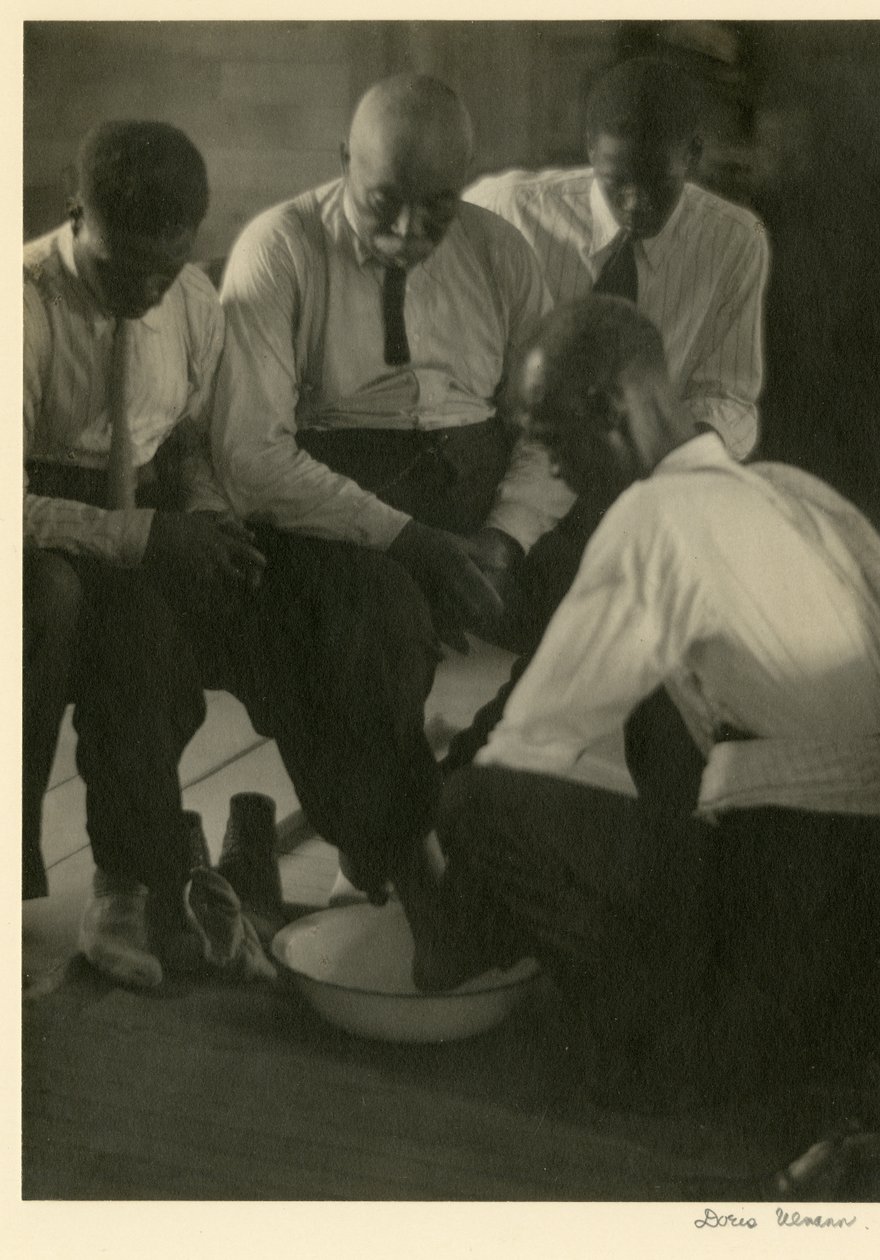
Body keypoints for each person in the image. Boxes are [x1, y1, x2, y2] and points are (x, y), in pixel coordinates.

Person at [403, 296, 880, 1116]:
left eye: (548, 435)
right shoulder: (783, 492)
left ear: (611, 410)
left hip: (797, 883)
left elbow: (530, 746)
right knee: (652, 720)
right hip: (879, 911)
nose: (549, 465)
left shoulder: (653, 518)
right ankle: (709, 1006)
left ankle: (652, 1040)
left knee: (482, 804)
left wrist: (420, 836)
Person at [211, 73, 566, 902]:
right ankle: (396, 858)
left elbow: (553, 425)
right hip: (334, 496)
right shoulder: (280, 246)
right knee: (371, 627)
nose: (409, 230)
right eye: (383, 202)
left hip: (480, 491)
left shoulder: (501, 250)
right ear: (344, 161)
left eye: (436, 207)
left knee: (610, 585)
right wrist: (411, 541)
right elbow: (250, 456)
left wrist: (506, 534)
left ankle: (456, 797)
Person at [444, 55, 771, 767]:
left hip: (632, 473)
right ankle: (467, 779)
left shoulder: (733, 241)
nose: (637, 207)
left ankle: (467, 780)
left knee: (661, 612)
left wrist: (682, 472)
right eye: (616, 182)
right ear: (589, 151)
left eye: (659, 184)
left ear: (693, 155)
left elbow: (729, 392)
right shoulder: (508, 209)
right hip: (505, 460)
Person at [23, 120, 290, 987]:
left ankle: (129, 880)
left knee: (145, 644)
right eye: (117, 268)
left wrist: (207, 525)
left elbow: (200, 445)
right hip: (32, 521)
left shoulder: (195, 305)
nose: (142, 291)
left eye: (164, 267)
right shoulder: (18, 303)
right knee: (52, 604)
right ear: (75, 212)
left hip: (147, 505)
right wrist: (141, 536)